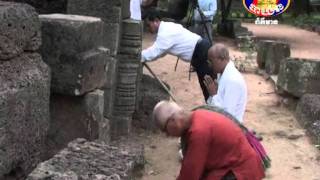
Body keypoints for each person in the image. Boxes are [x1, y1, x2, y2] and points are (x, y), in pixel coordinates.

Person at [152, 100, 265, 180]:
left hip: (241, 172)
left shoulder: (199, 131)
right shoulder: (197, 116)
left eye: (165, 130)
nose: (167, 135)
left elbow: (191, 174)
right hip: (231, 166)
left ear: (173, 121)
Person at [142, 11, 215, 101]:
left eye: (148, 25)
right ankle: (213, 106)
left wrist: (139, 56)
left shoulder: (165, 32)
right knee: (207, 84)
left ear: (156, 21)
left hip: (201, 52)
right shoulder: (167, 27)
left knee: (209, 84)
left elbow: (156, 51)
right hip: (200, 51)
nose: (148, 28)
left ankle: (215, 109)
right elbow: (161, 52)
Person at [203, 43, 247, 123]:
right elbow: (214, 105)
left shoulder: (232, 80)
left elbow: (227, 116)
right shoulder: (222, 74)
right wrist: (213, 95)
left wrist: (214, 95)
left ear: (222, 59)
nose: (209, 64)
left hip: (231, 129)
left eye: (211, 61)